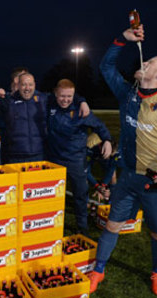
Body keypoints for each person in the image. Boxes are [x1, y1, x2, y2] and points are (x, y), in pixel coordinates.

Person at [87, 25, 157, 296]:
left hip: (156, 181)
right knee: (112, 224)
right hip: (127, 177)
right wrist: (121, 40)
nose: (143, 63)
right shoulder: (128, 94)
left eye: (149, 63)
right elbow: (106, 67)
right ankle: (98, 270)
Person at [46, 79, 112, 235]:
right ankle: (50, 227)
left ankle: (82, 228)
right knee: (52, 196)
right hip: (54, 160)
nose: (65, 100)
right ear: (56, 93)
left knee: (80, 195)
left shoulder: (81, 111)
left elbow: (100, 126)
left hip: (76, 160)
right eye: (62, 96)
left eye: (69, 96)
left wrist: (107, 140)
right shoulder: (49, 104)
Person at [0, 73, 89, 164]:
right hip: (15, 157)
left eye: (30, 84)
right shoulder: (8, 100)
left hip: (39, 155)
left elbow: (64, 94)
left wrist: (82, 102)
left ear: (35, 85)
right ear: (18, 85)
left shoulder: (44, 99)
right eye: (24, 85)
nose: (27, 88)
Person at [86, 133, 120, 202]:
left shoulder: (116, 151)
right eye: (108, 155)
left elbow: (111, 169)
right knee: (83, 178)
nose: (108, 158)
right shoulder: (90, 147)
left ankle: (111, 202)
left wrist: (103, 186)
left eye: (110, 155)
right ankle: (84, 201)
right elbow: (86, 171)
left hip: (101, 151)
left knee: (113, 176)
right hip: (92, 151)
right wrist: (97, 186)